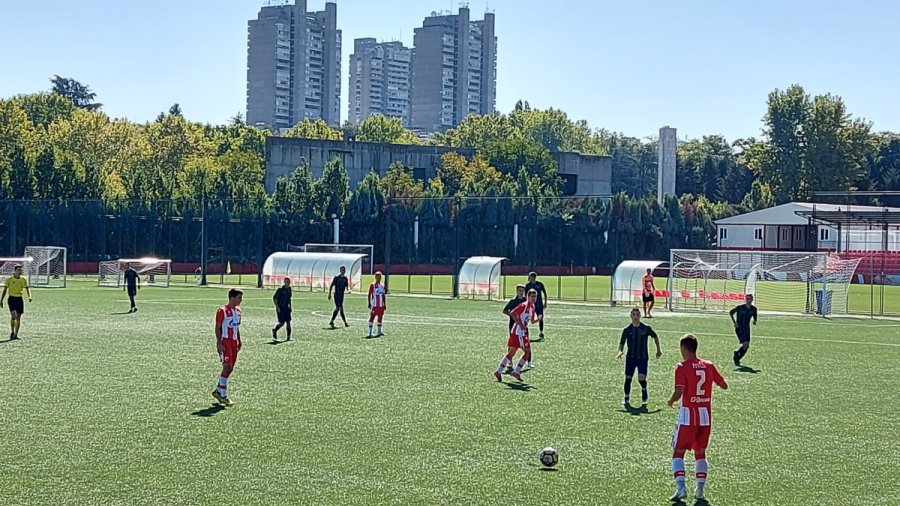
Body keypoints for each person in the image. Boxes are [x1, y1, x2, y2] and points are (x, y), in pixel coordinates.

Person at [667, 334, 728, 502]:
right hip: (705, 416)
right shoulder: (708, 365)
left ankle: (681, 488)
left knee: (678, 452)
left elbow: (679, 392)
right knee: (700, 453)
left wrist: (671, 401)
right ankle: (700, 489)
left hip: (688, 416)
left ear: (684, 349)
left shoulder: (681, 367)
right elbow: (724, 385)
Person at [617, 307, 662, 405]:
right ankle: (626, 398)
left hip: (642, 357)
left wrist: (658, 349)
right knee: (628, 378)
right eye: (634, 314)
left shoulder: (646, 328)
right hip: (630, 358)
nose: (635, 317)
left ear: (640, 316)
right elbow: (622, 343)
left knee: (641, 378)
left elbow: (655, 336)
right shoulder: (627, 329)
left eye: (637, 314)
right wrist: (620, 351)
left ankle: (644, 388)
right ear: (631, 316)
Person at [494, 288, 539, 382]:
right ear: (528, 297)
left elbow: (532, 321)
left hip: (520, 332)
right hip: (518, 332)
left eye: (535, 296)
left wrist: (538, 319)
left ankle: (499, 371)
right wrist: (521, 324)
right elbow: (512, 313)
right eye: (532, 296)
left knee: (512, 353)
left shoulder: (532, 307)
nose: (534, 298)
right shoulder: (523, 305)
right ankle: (516, 371)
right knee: (527, 352)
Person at [213, 288, 243, 407]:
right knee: (227, 367)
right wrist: (219, 342)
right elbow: (218, 327)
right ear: (232, 298)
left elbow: (236, 327)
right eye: (239, 298)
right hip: (225, 341)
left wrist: (239, 340)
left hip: (234, 342)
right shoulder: (222, 311)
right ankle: (223, 396)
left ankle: (218, 391)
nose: (241, 300)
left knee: (230, 368)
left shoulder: (238, 311)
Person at [1, 265, 32, 340]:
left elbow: (27, 288)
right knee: (14, 316)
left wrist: (30, 296)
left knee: (18, 317)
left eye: (21, 270)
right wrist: (1, 300)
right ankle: (12, 331)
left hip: (19, 299)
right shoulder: (9, 279)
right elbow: (5, 290)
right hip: (11, 299)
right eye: (18, 270)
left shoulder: (23, 279)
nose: (20, 272)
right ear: (15, 271)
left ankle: (16, 334)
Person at [502, 284, 528, 372]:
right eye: (520, 290)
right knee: (512, 343)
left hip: (523, 326)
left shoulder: (525, 301)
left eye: (522, 291)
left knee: (526, 342)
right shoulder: (513, 301)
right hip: (513, 325)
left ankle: (528, 361)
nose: (521, 292)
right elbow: (505, 310)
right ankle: (510, 361)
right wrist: (513, 316)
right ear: (517, 291)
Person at [729, 294, 758, 366]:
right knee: (745, 344)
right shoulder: (740, 307)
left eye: (750, 299)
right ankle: (737, 357)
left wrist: (755, 321)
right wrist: (735, 322)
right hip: (739, 328)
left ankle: (737, 356)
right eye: (747, 298)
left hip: (747, 328)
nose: (748, 300)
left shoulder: (754, 309)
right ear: (746, 299)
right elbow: (731, 312)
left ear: (752, 299)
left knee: (747, 346)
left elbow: (755, 317)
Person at [525, 272, 549, 339]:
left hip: (539, 304)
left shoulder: (539, 284)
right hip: (530, 305)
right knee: (526, 317)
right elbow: (525, 295)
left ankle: (541, 332)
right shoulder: (527, 285)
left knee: (540, 317)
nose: (530, 278)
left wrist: (545, 302)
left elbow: (545, 293)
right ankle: (524, 331)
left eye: (531, 277)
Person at [367, 271, 386, 337]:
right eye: (377, 276)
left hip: (381, 305)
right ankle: (370, 333)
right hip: (374, 305)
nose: (379, 277)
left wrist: (384, 304)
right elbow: (369, 294)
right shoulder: (372, 285)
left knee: (380, 318)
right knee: (372, 317)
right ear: (375, 277)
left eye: (380, 276)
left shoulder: (382, 285)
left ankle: (379, 331)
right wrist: (369, 303)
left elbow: (383, 295)